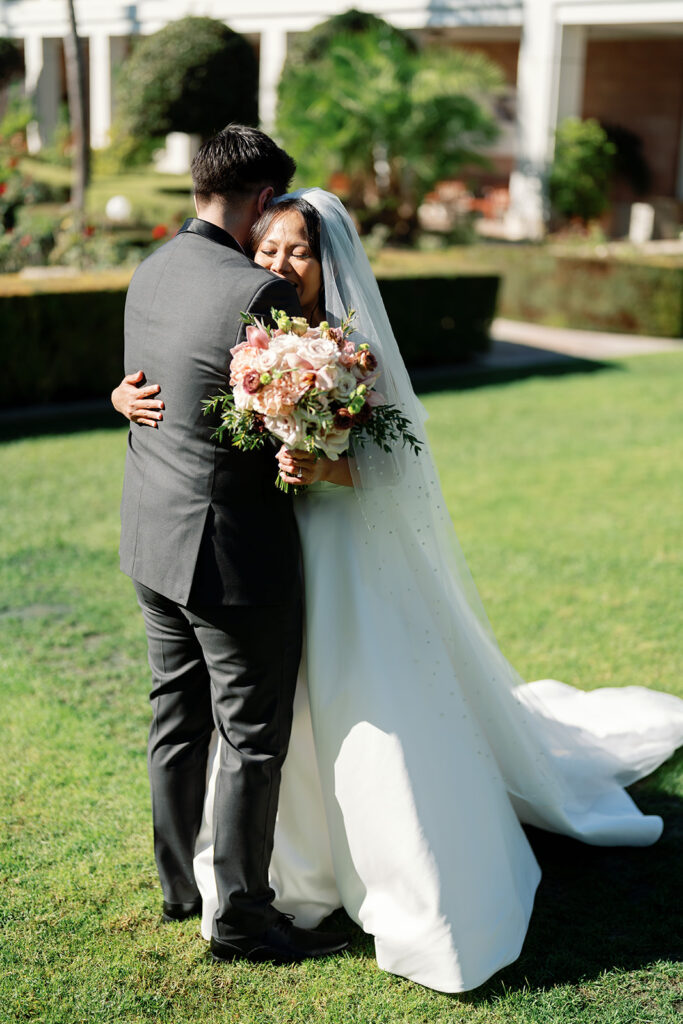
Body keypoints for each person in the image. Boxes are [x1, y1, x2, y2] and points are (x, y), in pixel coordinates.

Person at [113, 188, 683, 992]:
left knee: (351, 692)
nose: (277, 263)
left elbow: (392, 462)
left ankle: (383, 865)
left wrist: (319, 462)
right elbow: (187, 401)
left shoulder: (348, 346)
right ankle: (272, 864)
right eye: (268, 247)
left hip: (339, 544)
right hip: (264, 550)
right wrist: (119, 395)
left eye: (296, 252)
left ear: (327, 261)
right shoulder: (256, 326)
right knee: (272, 707)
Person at [117, 127, 348, 966]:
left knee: (174, 721)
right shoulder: (260, 296)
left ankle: (181, 888)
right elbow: (272, 428)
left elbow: (153, 392)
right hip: (230, 555)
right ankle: (243, 921)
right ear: (259, 202)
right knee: (251, 739)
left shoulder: (152, 269)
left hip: (150, 538)